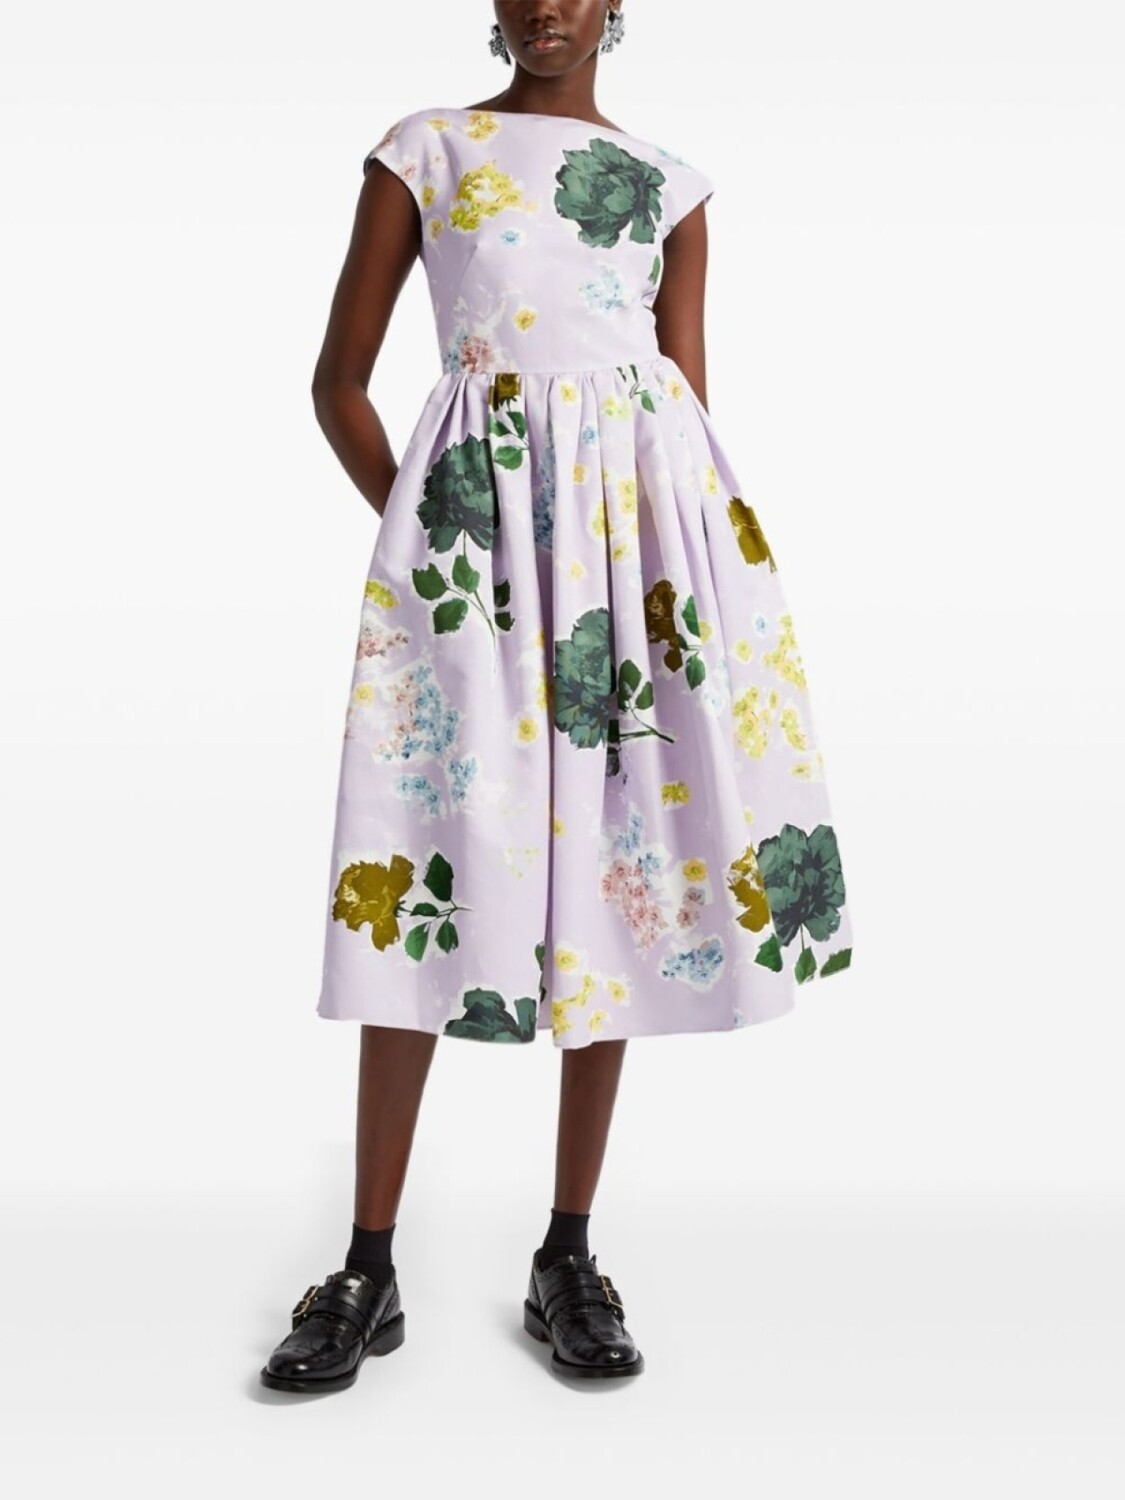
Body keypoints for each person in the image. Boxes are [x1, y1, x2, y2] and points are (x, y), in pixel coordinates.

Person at [260, 0, 854, 1394]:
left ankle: (566, 1255)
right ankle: (365, 1266)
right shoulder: (427, 150)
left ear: (613, 7)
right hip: (472, 571)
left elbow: (681, 407)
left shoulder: (669, 187)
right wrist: (436, 533)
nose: (546, 7)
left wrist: (676, 575)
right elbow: (339, 383)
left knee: (618, 877)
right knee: (424, 861)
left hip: (633, 569)